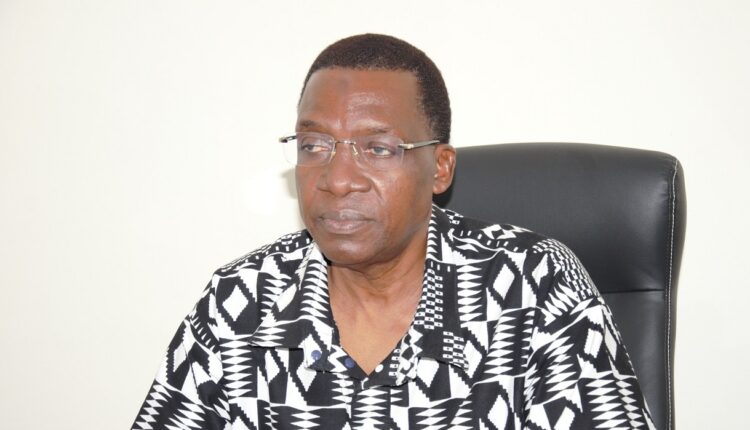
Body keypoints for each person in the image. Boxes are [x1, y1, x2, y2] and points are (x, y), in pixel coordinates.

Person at [132, 34, 655, 430]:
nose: (337, 179)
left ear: (440, 168)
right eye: (314, 146)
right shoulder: (242, 302)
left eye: (378, 149)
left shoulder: (533, 286)